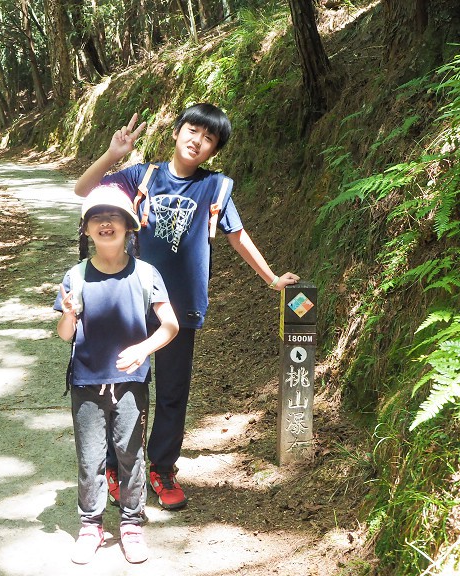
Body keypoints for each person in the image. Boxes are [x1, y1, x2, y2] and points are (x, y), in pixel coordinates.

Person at [74, 103, 300, 511]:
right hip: (132, 301)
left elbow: (237, 236)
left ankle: (161, 469)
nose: (198, 140)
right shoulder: (141, 176)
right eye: (193, 130)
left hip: (180, 309)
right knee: (123, 389)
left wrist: (271, 279)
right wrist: (112, 155)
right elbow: (84, 190)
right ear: (177, 132)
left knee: (173, 393)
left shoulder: (214, 188)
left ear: (214, 150)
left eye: (209, 138)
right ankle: (115, 467)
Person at [54, 185, 179, 565]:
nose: (105, 223)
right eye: (96, 218)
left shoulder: (145, 273)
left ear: (129, 227)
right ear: (86, 230)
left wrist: (143, 349)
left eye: (114, 218)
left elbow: (169, 325)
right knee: (89, 457)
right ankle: (90, 525)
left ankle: (131, 524)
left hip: (131, 382)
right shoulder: (75, 277)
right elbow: (65, 334)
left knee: (130, 453)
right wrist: (70, 313)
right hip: (86, 381)